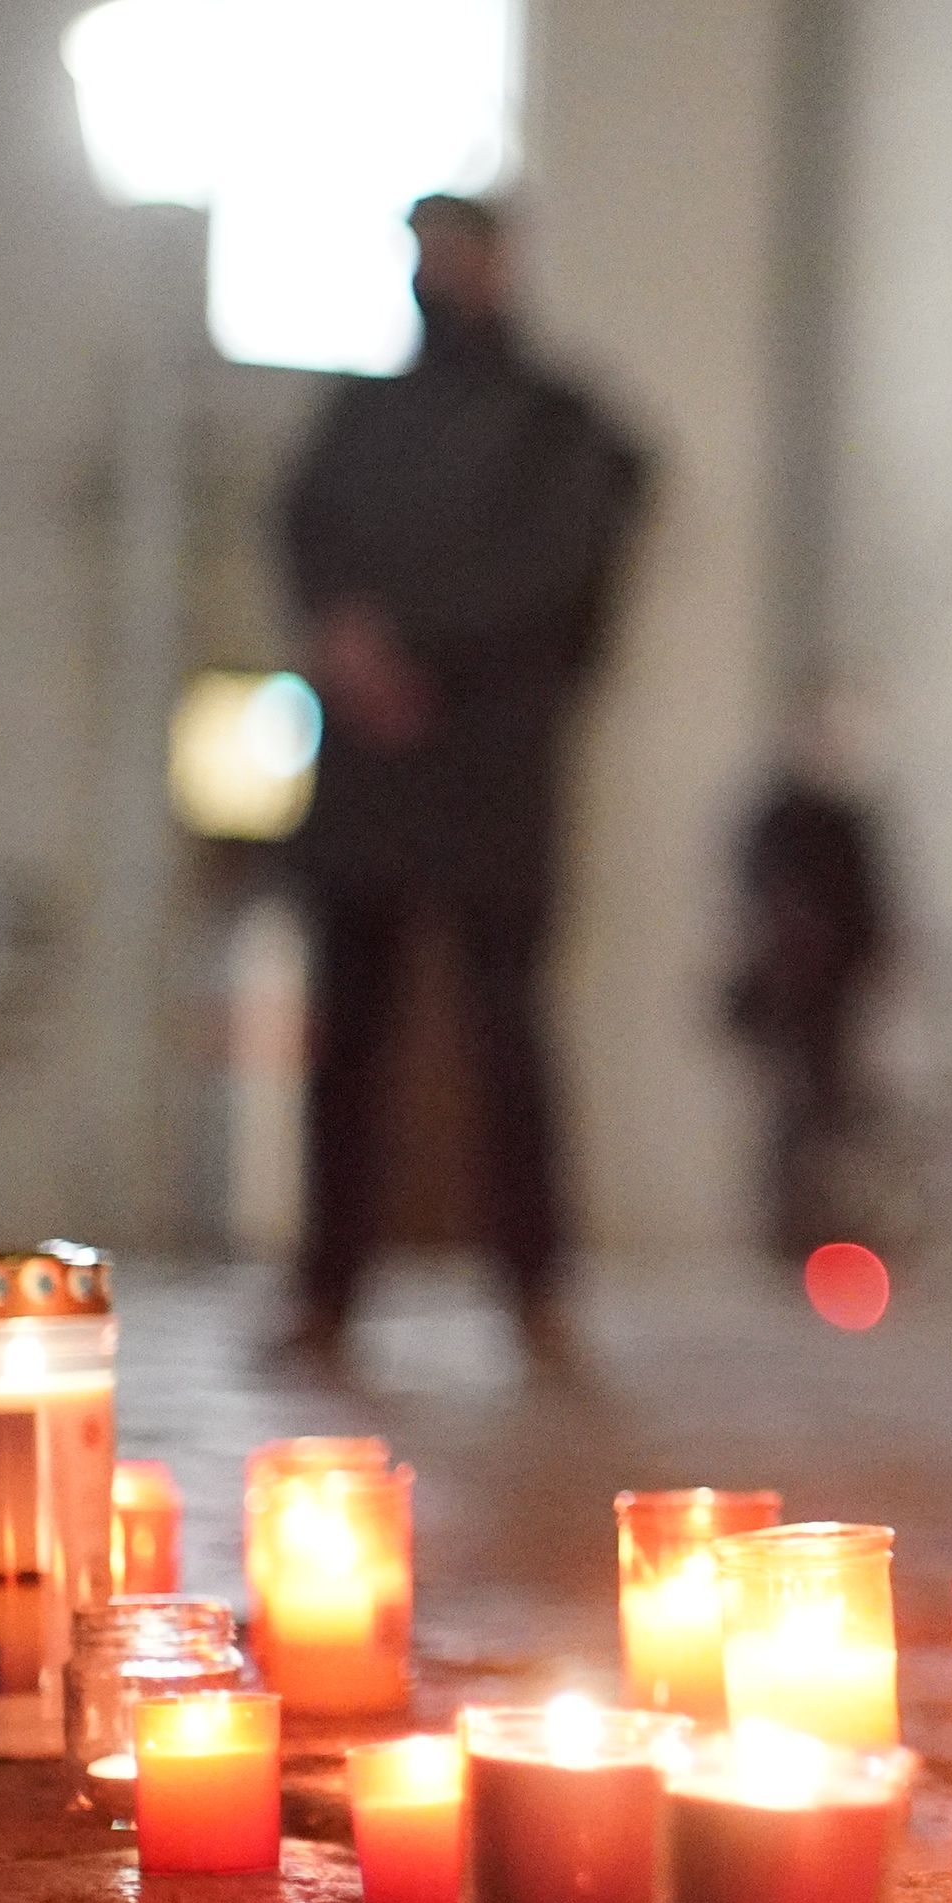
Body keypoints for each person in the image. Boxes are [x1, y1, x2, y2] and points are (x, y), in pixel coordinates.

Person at [275, 194, 645, 1377]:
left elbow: (560, 576)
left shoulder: (555, 422)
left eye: (457, 253)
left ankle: (536, 1291)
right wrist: (351, 648)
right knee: (347, 1037)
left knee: (506, 1036)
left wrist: (418, 654)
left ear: (499, 263)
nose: (438, 274)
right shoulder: (361, 414)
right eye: (422, 253)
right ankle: (326, 1290)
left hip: (490, 766)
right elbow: (306, 535)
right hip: (370, 764)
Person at [722, 767, 893, 1261]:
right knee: (791, 1119)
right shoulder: (775, 821)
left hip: (836, 996)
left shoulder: (848, 821)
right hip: (787, 997)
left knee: (833, 1116)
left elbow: (869, 907)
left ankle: (834, 1228)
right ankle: (791, 1233)